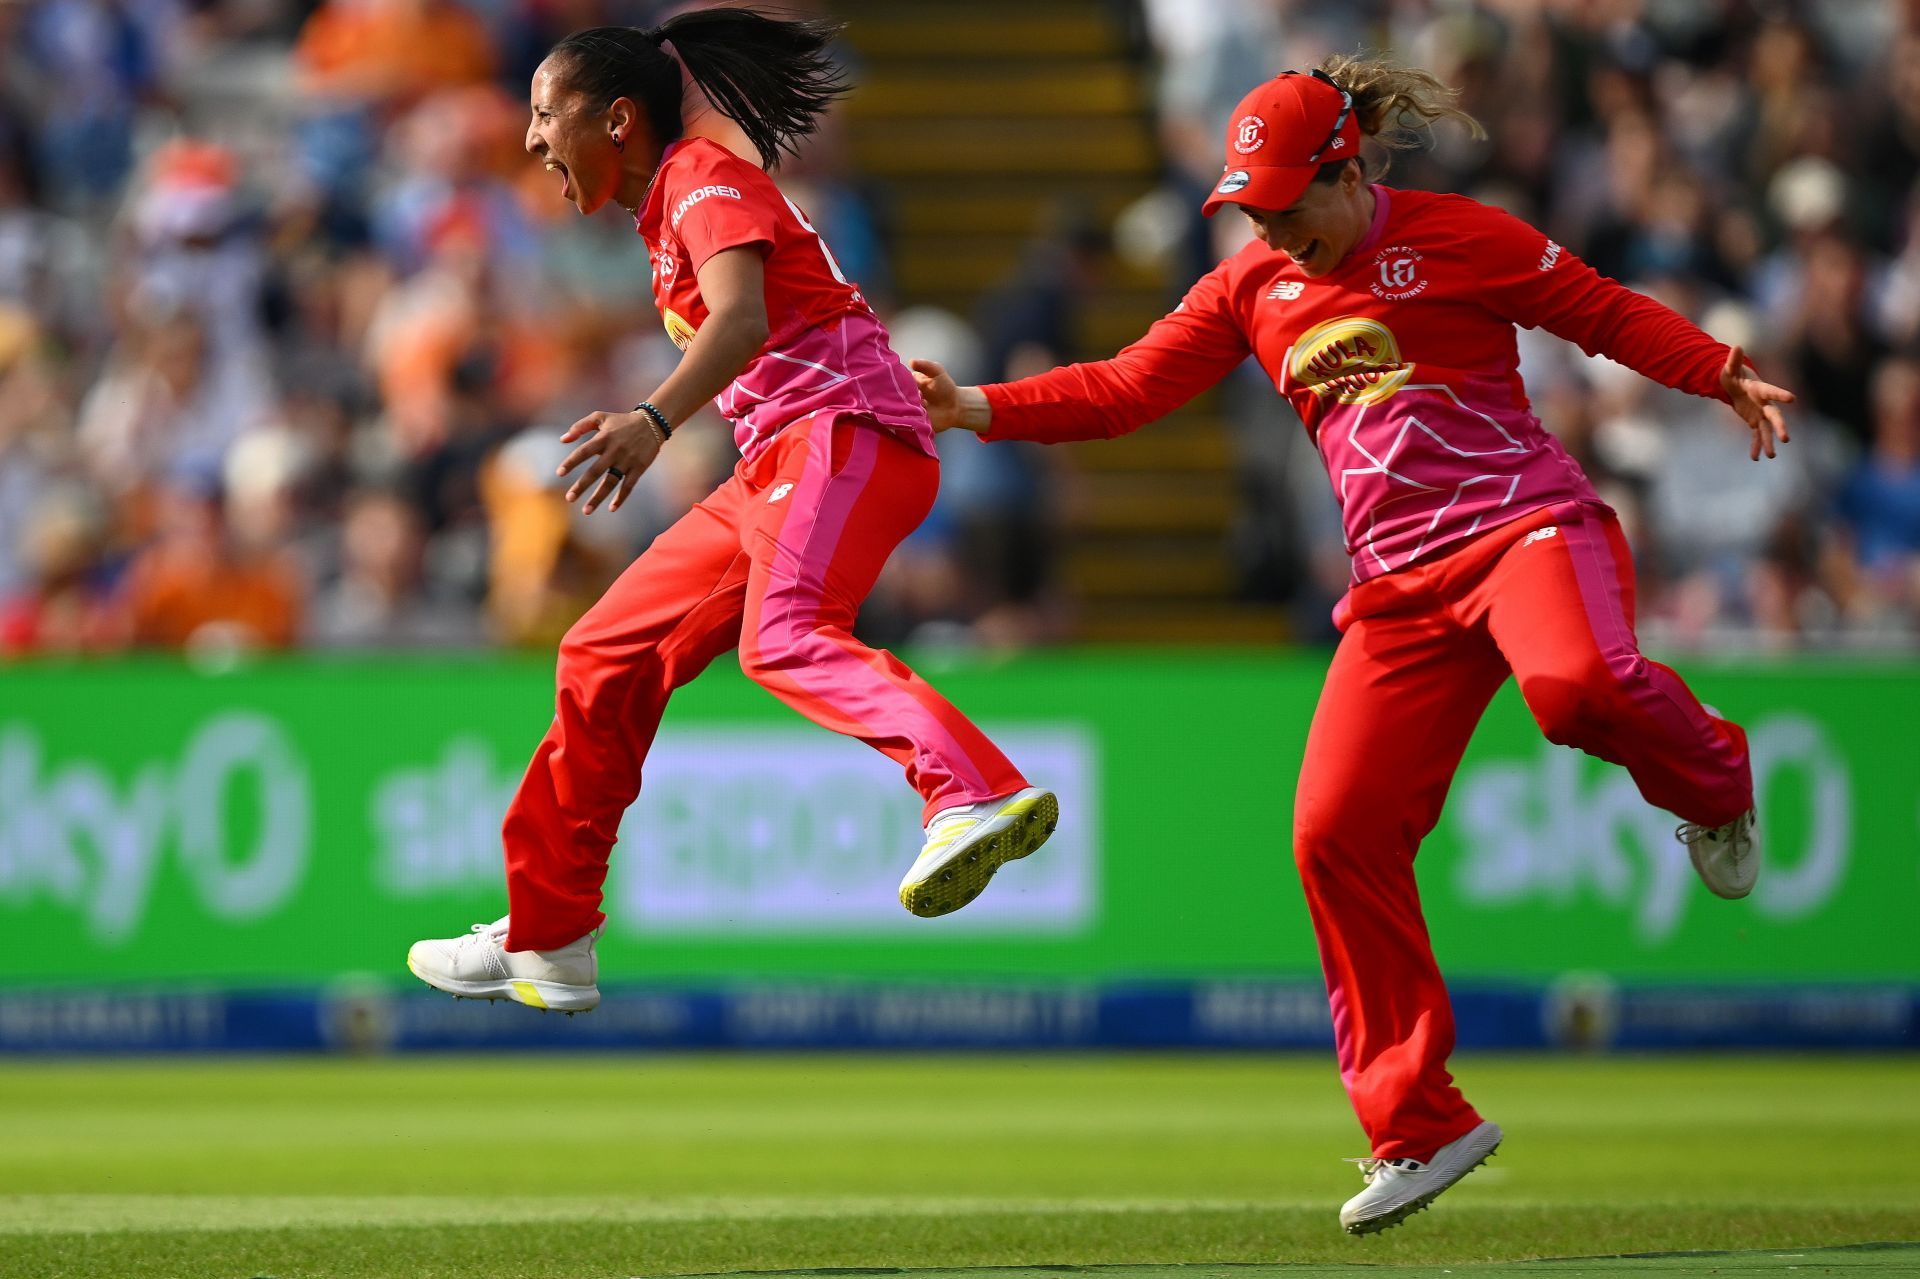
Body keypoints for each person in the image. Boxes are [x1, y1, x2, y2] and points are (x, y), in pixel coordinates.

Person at [913, 57, 1792, 1236]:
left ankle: (1718, 782)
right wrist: (976, 405)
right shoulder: (1248, 286)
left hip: (1526, 527)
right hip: (1398, 598)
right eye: (1254, 210)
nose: (1275, 229)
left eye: (1288, 203)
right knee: (1334, 832)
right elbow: (1125, 388)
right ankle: (1418, 1123)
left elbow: (1597, 307)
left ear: (1349, 166)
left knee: (1576, 690)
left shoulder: (1461, 234)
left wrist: (1721, 370)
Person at [407, 9, 1057, 1016]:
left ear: (617, 119)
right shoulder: (669, 203)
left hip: (845, 434)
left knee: (786, 638)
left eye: (546, 114)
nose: (531, 139)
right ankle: (553, 931)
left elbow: (746, 320)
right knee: (601, 652)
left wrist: (654, 420)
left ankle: (970, 787)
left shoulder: (702, 181)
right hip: (778, 460)